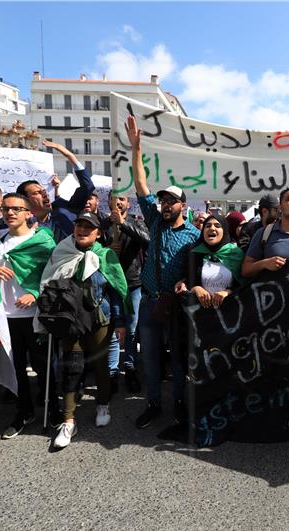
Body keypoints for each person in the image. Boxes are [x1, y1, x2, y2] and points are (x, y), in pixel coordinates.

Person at [124, 116, 201, 428]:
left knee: (179, 360)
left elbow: (203, 269)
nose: (166, 204)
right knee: (151, 358)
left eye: (172, 200)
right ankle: (154, 404)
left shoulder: (195, 235)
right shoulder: (154, 222)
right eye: (163, 200)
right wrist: (136, 148)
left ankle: (179, 405)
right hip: (149, 302)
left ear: (183, 205)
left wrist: (188, 283)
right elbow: (141, 185)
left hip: (178, 306)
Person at [39, 211, 128, 448]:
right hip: (70, 320)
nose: (83, 230)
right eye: (79, 225)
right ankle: (68, 421)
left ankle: (103, 404)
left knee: (101, 365)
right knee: (72, 366)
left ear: (98, 233)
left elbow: (116, 290)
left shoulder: (106, 254)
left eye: (89, 227)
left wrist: (120, 323)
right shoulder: (62, 252)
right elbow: (49, 283)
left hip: (100, 319)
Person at [0, 193, 56, 439]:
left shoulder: (43, 241)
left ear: (29, 213)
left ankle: (54, 410)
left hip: (34, 315)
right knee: (15, 369)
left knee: (42, 365)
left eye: (16, 208)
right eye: (5, 209)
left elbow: (54, 275)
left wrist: (35, 293)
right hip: (4, 317)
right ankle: (24, 412)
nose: (10, 213)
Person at [100, 191, 150, 393]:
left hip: (133, 283)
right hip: (109, 284)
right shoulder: (102, 224)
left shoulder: (136, 222)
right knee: (113, 329)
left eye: (122, 198)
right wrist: (107, 248)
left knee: (131, 328)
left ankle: (129, 367)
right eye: (115, 198)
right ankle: (112, 371)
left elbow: (147, 240)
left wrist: (123, 224)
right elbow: (92, 247)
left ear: (128, 203)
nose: (118, 201)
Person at [16, 140, 94, 242]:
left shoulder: (64, 210)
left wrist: (69, 156)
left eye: (44, 191)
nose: (44, 194)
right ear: (25, 201)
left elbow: (87, 187)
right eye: (37, 193)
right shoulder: (19, 223)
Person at [177, 214, 245, 308]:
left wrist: (228, 292)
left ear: (224, 231)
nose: (212, 228)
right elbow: (187, 281)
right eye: (207, 226)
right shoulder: (194, 253)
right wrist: (196, 288)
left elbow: (244, 284)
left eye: (217, 226)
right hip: (199, 313)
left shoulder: (235, 253)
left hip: (230, 311)